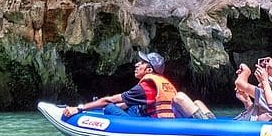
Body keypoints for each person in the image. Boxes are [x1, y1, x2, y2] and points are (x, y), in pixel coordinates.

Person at [63, 52, 213, 119]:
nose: (136, 64)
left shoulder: (146, 86)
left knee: (109, 107)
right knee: (130, 107)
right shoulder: (163, 82)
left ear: (148, 69)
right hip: (165, 117)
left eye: (141, 63)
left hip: (158, 123)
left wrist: (79, 108)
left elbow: (109, 101)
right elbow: (126, 103)